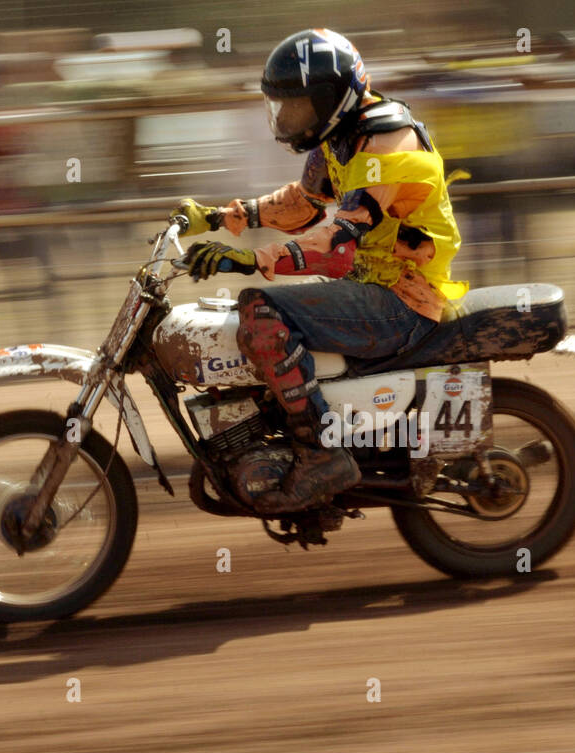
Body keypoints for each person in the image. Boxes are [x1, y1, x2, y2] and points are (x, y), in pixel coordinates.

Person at [171, 27, 468, 514]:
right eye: (285, 106)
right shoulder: (343, 137)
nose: (292, 117)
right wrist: (223, 218)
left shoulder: (387, 140)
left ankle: (321, 454)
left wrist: (254, 259)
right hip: (370, 287)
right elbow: (303, 204)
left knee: (262, 311)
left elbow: (340, 243)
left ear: (336, 94)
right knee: (241, 315)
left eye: (302, 104)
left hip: (404, 299)